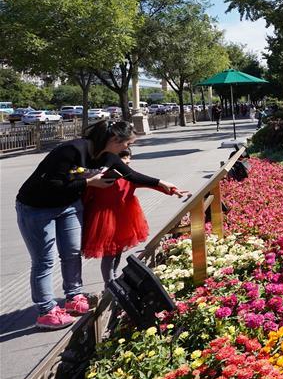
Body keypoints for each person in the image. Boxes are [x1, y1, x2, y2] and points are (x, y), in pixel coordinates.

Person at [15, 120, 189, 329]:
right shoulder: (71, 150)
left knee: (71, 253)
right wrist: (88, 182)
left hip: (69, 205)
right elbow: (51, 183)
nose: (127, 148)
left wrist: (162, 183)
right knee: (44, 260)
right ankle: (46, 310)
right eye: (126, 144)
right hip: (37, 208)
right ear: (115, 140)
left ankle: (74, 296)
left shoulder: (108, 155)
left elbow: (131, 175)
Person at [81, 148, 173, 285]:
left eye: (129, 157)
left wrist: (172, 191)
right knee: (109, 254)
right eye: (123, 158)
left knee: (117, 252)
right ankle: (109, 284)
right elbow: (86, 194)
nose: (128, 161)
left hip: (122, 220)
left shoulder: (129, 176)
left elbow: (149, 183)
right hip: (104, 220)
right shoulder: (100, 177)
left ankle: (114, 277)